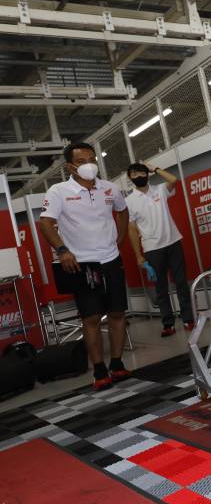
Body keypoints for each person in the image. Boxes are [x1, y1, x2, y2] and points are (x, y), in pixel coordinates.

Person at [38, 142, 131, 391]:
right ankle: (99, 370)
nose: (89, 165)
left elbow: (123, 212)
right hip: (82, 264)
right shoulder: (59, 191)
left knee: (117, 313)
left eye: (92, 159)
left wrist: (120, 238)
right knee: (91, 318)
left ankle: (117, 364)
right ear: (70, 166)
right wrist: (62, 250)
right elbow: (45, 223)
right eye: (81, 161)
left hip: (111, 259)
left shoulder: (110, 188)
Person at [125, 162, 194, 337]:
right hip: (151, 248)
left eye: (141, 173)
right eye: (134, 174)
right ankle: (168, 323)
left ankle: (188, 319)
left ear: (147, 174)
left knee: (181, 283)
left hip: (173, 241)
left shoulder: (160, 189)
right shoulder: (128, 201)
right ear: (129, 178)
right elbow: (131, 229)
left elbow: (174, 179)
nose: (138, 176)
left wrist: (155, 169)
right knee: (161, 288)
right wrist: (139, 256)